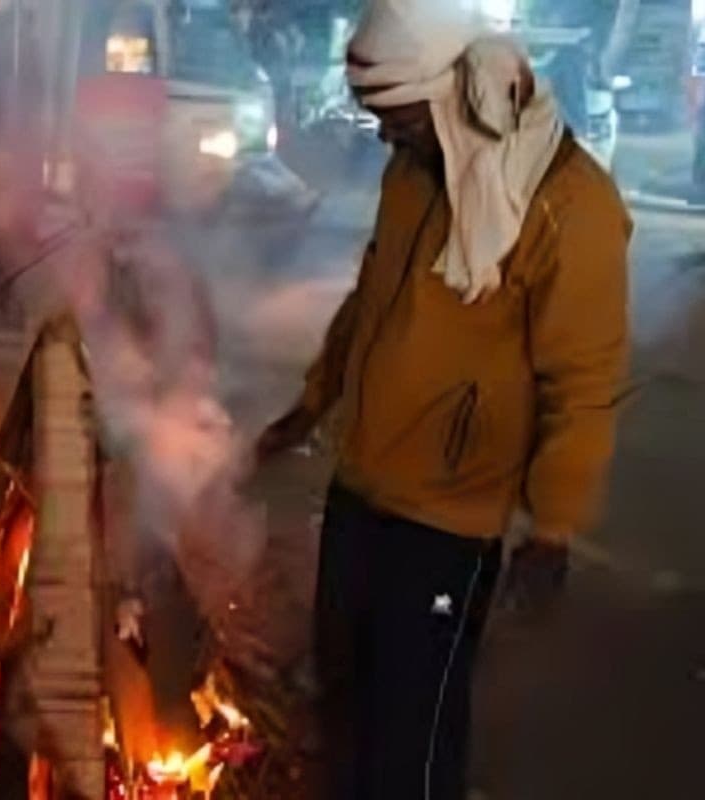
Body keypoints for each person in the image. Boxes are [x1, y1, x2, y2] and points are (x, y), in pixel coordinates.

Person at [258, 1, 630, 797]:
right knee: (345, 699)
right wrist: (310, 404)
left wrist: (553, 524)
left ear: (450, 90)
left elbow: (584, 383)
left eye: (396, 118)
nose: (387, 137)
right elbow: (369, 304)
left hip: (448, 519)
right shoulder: (416, 167)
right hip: (362, 487)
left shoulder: (570, 205)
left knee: (413, 729)